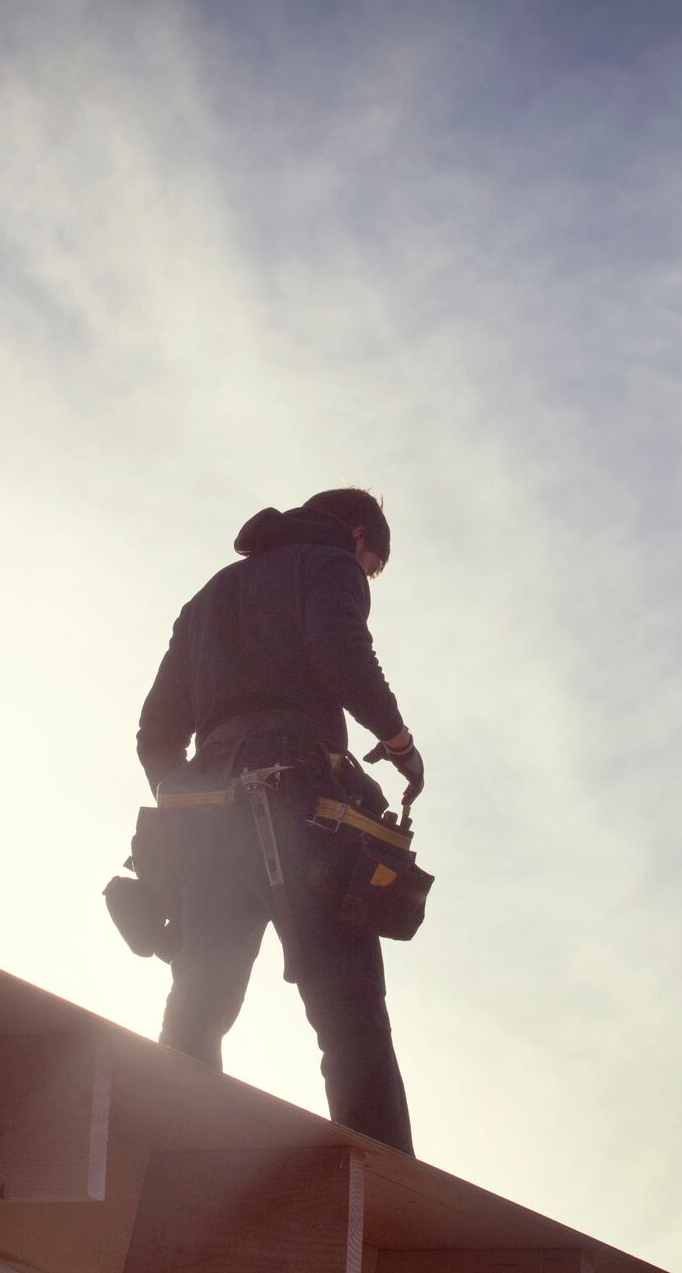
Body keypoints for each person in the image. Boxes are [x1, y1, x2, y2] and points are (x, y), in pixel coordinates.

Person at [133, 487, 425, 1153]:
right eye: (372, 567)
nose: (367, 579)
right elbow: (342, 657)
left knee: (199, 1004)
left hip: (207, 824)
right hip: (303, 808)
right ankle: (383, 1193)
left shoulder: (210, 595)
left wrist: (188, 796)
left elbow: (155, 731)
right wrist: (400, 744)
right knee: (347, 1015)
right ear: (357, 538)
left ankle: (173, 1163)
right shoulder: (330, 564)